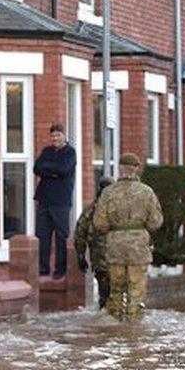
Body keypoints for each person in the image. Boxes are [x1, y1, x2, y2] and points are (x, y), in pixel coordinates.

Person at [92, 153, 163, 321]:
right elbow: (156, 222)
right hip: (138, 246)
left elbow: (99, 223)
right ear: (136, 169)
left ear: (120, 168)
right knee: (136, 289)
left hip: (115, 246)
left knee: (115, 289)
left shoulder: (108, 192)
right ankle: (133, 327)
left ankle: (116, 324)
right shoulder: (147, 192)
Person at [34, 123, 77, 279]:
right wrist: (52, 172)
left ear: (64, 136)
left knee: (61, 235)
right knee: (42, 234)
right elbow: (37, 168)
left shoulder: (70, 152)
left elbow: (63, 169)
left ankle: (60, 270)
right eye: (53, 135)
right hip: (44, 198)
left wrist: (49, 171)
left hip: (61, 200)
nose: (55, 138)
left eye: (58, 135)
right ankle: (43, 268)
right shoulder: (47, 151)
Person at [74, 176, 115, 309]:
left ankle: (105, 314)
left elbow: (80, 232)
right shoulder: (120, 209)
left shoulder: (91, 209)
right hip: (117, 256)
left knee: (105, 291)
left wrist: (80, 256)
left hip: (100, 258)